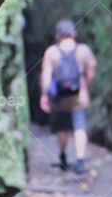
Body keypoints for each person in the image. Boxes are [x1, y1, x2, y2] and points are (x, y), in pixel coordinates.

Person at [39, 19, 97, 174]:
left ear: (58, 35)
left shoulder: (51, 52)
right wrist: (85, 85)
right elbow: (90, 73)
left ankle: (63, 156)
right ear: (74, 34)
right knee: (80, 127)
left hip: (59, 98)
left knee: (62, 128)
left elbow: (46, 75)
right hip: (79, 96)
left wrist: (45, 95)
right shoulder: (83, 50)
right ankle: (80, 160)